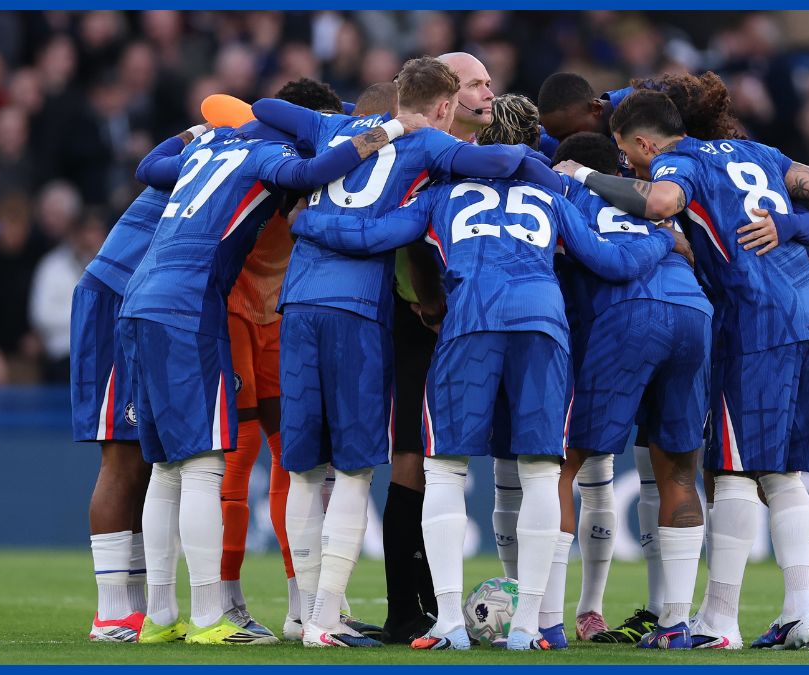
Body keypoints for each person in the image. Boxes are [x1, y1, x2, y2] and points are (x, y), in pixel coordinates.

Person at [289, 93, 687, 651]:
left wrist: (310, 224)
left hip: (471, 320)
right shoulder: (550, 190)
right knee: (541, 473)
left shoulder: (440, 192)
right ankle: (527, 626)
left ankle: (449, 622)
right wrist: (660, 238)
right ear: (529, 143)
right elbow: (610, 260)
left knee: (448, 470)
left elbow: (374, 237)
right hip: (543, 326)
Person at [249, 57, 546, 649]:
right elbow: (499, 159)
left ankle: (305, 615)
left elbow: (265, 108)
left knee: (304, 471)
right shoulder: (433, 144)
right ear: (442, 106)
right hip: (359, 311)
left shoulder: (333, 131)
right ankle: (327, 619)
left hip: (299, 303)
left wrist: (360, 144)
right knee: (356, 469)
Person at [555, 88, 809, 650]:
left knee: (734, 473)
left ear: (642, 141)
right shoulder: (755, 152)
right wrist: (794, 225)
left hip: (757, 322)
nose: (625, 164)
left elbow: (660, 202)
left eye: (624, 151)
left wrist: (583, 179)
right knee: (783, 475)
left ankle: (719, 620)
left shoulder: (676, 162)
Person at [119, 103, 418, 646]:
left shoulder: (206, 150)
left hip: (138, 300)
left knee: (165, 468)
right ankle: (210, 616)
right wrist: (391, 128)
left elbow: (149, 166)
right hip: (189, 309)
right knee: (205, 467)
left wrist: (196, 129)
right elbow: (308, 173)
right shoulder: (265, 154)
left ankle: (161, 616)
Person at [549, 130, 714, 650]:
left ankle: (544, 619)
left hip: (629, 317)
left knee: (561, 465)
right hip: (694, 312)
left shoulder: (565, 195)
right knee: (679, 470)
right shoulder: (648, 196)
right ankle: (675, 624)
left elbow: (589, 262)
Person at [217, 79, 364, 645]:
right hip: (231, 312)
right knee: (239, 453)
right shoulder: (263, 157)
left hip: (277, 317)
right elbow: (224, 109)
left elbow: (356, 115)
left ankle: (304, 605)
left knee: (296, 456)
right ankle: (226, 599)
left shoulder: (330, 157)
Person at [72, 125, 204, 643]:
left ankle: (135, 605)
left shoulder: (213, 158)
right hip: (116, 299)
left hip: (147, 301)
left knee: (147, 457)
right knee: (122, 456)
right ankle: (109, 613)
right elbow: (150, 164)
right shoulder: (210, 163)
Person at [381, 51, 494, 645]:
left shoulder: (474, 152)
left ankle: (529, 612)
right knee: (414, 460)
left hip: (477, 319)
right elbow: (414, 236)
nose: (488, 92)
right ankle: (408, 606)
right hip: (423, 322)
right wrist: (427, 295)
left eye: (489, 82)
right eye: (475, 83)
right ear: (446, 99)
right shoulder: (424, 151)